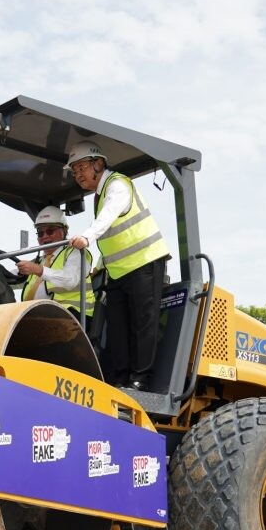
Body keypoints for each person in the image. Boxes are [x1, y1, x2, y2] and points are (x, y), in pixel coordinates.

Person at [66, 140, 171, 390]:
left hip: (145, 261)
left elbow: (109, 216)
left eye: (81, 167)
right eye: (74, 171)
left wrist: (87, 237)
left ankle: (140, 378)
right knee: (117, 327)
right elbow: (113, 239)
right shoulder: (99, 195)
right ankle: (121, 378)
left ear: (98, 164)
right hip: (118, 271)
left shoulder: (118, 185)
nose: (78, 174)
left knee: (142, 323)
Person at [17, 205, 95, 321]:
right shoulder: (38, 261)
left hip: (74, 317)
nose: (45, 236)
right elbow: (12, 276)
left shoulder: (76, 253)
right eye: (40, 233)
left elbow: (70, 280)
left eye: (50, 231)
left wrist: (38, 270)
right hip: (38, 316)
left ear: (64, 231)